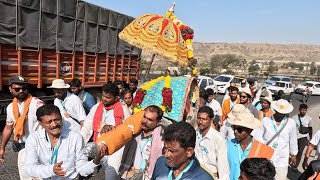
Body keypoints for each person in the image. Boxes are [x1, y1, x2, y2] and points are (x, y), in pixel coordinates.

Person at [25, 104, 105, 179]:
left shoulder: (75, 138)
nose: (54, 124)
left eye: (57, 120)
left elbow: (81, 169)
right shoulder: (34, 138)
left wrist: (95, 161)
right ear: (40, 123)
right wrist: (51, 170)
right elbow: (30, 168)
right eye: (49, 122)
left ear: (61, 117)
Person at [81, 82, 131, 179]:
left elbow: (127, 129)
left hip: (116, 147)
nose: (104, 99)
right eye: (103, 96)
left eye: (108, 97)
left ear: (116, 98)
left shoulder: (124, 110)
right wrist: (80, 141)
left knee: (111, 172)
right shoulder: (96, 108)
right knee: (102, 166)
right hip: (99, 145)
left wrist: (113, 128)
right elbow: (87, 125)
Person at [0, 75, 44, 180]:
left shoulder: (38, 104)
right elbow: (8, 127)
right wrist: (2, 148)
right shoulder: (11, 107)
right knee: (24, 177)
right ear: (10, 89)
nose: (21, 91)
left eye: (24, 88)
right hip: (22, 149)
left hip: (38, 149)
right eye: (17, 89)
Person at [255, 99, 298, 180]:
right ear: (275, 110)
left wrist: (293, 154)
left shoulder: (291, 123)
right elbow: (258, 138)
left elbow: (293, 140)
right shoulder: (266, 121)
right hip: (266, 156)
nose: (281, 114)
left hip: (282, 157)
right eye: (279, 112)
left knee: (280, 177)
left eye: (283, 113)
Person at [119, 105, 164, 179]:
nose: (144, 121)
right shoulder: (134, 131)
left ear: (158, 122)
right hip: (131, 173)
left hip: (148, 176)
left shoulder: (161, 138)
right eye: (144, 117)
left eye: (149, 119)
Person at [195, 106, 229, 179]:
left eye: (204, 119)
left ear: (211, 120)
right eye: (199, 118)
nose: (200, 122)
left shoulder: (219, 139)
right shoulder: (193, 134)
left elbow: (222, 164)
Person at [227, 110, 261, 180]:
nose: (235, 131)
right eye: (234, 128)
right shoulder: (226, 145)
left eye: (239, 129)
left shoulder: (260, 149)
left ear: (250, 130)